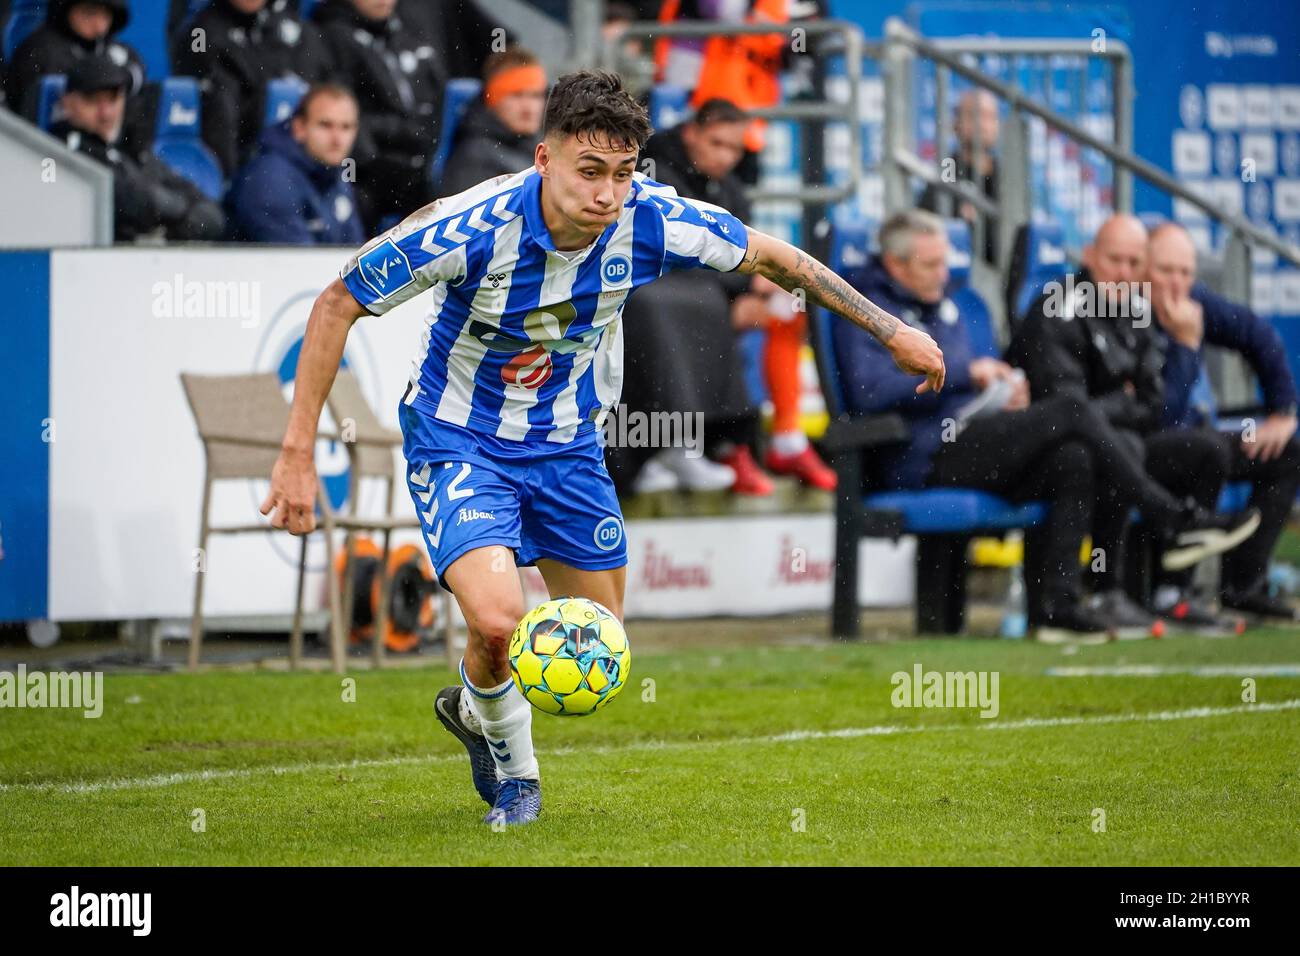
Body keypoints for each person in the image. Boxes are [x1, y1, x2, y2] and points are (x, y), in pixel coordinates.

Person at [258, 71, 945, 826]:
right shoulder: (469, 226)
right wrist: (295, 452)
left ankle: (472, 702)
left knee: (597, 649)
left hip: (568, 448)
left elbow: (775, 258)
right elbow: (338, 300)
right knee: (496, 622)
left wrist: (891, 328)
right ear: (543, 159)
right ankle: (518, 780)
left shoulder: (650, 218)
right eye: (590, 172)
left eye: (622, 174)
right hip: (461, 440)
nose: (608, 194)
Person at [839, 211, 1260, 640]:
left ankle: (1057, 609)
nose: (944, 274)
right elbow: (867, 391)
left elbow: (1155, 405)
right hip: (923, 452)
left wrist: (1005, 389)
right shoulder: (866, 310)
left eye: (945, 263)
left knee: (1073, 456)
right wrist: (970, 374)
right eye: (931, 265)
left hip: (980, 433)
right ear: (895, 263)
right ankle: (1171, 517)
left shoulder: (950, 305)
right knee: (1067, 409)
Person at [1007, 214, 1261, 631]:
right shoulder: (1057, 304)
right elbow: (1063, 408)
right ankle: (1108, 590)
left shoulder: (1138, 309)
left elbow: (1153, 404)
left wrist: (1118, 402)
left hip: (1121, 443)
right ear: (1089, 256)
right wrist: (1119, 401)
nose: (1124, 273)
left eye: (1133, 262)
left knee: (1205, 450)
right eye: (1114, 260)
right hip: (1054, 452)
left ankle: (1172, 594)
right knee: (1111, 445)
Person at [1147, 222, 1300, 622]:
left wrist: (1282, 412)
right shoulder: (1127, 309)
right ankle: (1172, 593)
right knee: (1205, 448)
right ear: (1143, 269)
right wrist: (1184, 344)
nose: (1177, 283)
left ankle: (1243, 587)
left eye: (1185, 272)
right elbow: (1161, 415)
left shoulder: (1193, 300)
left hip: (1192, 436)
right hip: (1146, 446)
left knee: (1286, 452)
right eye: (1166, 271)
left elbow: (1258, 334)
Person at [628, 96, 774, 495]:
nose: (727, 157)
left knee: (785, 310)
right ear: (692, 133)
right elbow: (676, 249)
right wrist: (741, 287)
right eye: (717, 143)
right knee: (693, 303)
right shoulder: (655, 169)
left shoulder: (730, 188)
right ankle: (665, 446)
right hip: (648, 283)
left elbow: (741, 249)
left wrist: (753, 292)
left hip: (704, 287)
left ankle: (751, 443)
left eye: (736, 148)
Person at [50, 56, 224, 242]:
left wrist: (177, 228)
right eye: (93, 101)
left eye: (113, 99)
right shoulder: (61, 151)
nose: (106, 113)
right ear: (67, 102)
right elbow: (134, 202)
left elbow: (211, 215)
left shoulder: (133, 150)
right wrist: (178, 210)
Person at [312, 0, 445, 231]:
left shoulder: (407, 33)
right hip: (364, 165)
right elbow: (338, 110)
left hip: (414, 158)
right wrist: (398, 135)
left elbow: (439, 100)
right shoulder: (331, 36)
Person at [171, 0, 330, 177]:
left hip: (302, 168)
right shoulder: (201, 34)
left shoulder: (297, 31)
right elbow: (221, 121)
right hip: (244, 168)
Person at [227, 83, 365, 244]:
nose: (337, 139)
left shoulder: (336, 171)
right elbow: (295, 265)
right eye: (325, 125)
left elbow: (354, 251)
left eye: (346, 127)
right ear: (299, 128)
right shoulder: (269, 179)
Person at [5, 0, 150, 152]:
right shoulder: (39, 51)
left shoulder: (118, 51)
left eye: (106, 15)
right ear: (67, 9)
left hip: (113, 150)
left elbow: (138, 73)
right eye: (90, 13)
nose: (99, 25)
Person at [438, 48, 546, 197]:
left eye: (536, 96)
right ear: (493, 100)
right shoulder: (474, 157)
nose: (529, 108)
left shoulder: (544, 145)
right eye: (517, 95)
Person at [918, 89, 999, 264]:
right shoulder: (948, 168)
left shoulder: (1008, 176)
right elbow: (930, 222)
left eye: (989, 117)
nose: (982, 125)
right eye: (974, 115)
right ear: (956, 124)